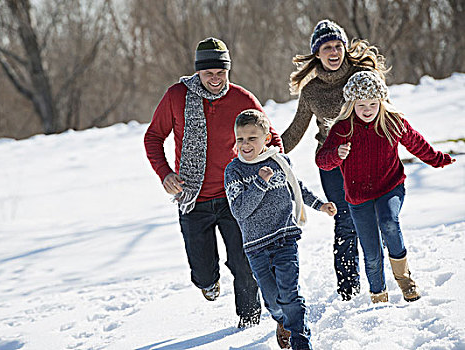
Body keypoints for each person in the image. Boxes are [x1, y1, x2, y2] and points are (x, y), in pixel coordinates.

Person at [144, 37, 284, 327]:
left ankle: (249, 322)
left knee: (243, 265)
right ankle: (207, 282)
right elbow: (153, 137)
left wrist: (274, 163)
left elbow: (271, 136)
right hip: (193, 197)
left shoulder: (242, 99)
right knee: (203, 272)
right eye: (209, 74)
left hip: (237, 197)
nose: (216, 80)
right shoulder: (176, 97)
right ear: (198, 72)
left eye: (221, 73)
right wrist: (165, 173)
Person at [316, 71, 455, 303]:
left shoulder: (392, 122)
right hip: (358, 196)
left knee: (389, 222)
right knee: (371, 253)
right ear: (351, 104)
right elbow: (322, 160)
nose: (368, 109)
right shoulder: (343, 128)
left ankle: (405, 281)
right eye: (361, 104)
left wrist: (437, 159)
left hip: (390, 187)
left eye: (373, 103)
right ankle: (378, 295)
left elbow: (416, 143)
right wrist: (336, 155)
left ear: (381, 101)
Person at [280, 19, 389, 301]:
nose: (333, 52)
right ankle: (348, 290)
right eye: (327, 47)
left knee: (372, 217)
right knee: (344, 220)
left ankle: (379, 279)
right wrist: (269, 150)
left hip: (366, 158)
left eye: (338, 46)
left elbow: (384, 110)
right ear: (317, 53)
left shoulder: (362, 75)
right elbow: (295, 131)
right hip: (331, 161)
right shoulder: (311, 91)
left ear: (344, 48)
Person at [225, 109, 337, 349]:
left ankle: (300, 340)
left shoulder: (279, 161)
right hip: (256, 247)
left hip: (285, 238)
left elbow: (296, 188)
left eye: (252, 138)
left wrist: (319, 204)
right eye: (240, 139)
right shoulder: (233, 171)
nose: (245, 144)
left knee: (289, 295)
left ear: (266, 139)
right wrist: (259, 183)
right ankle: (282, 321)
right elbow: (239, 211)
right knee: (274, 301)